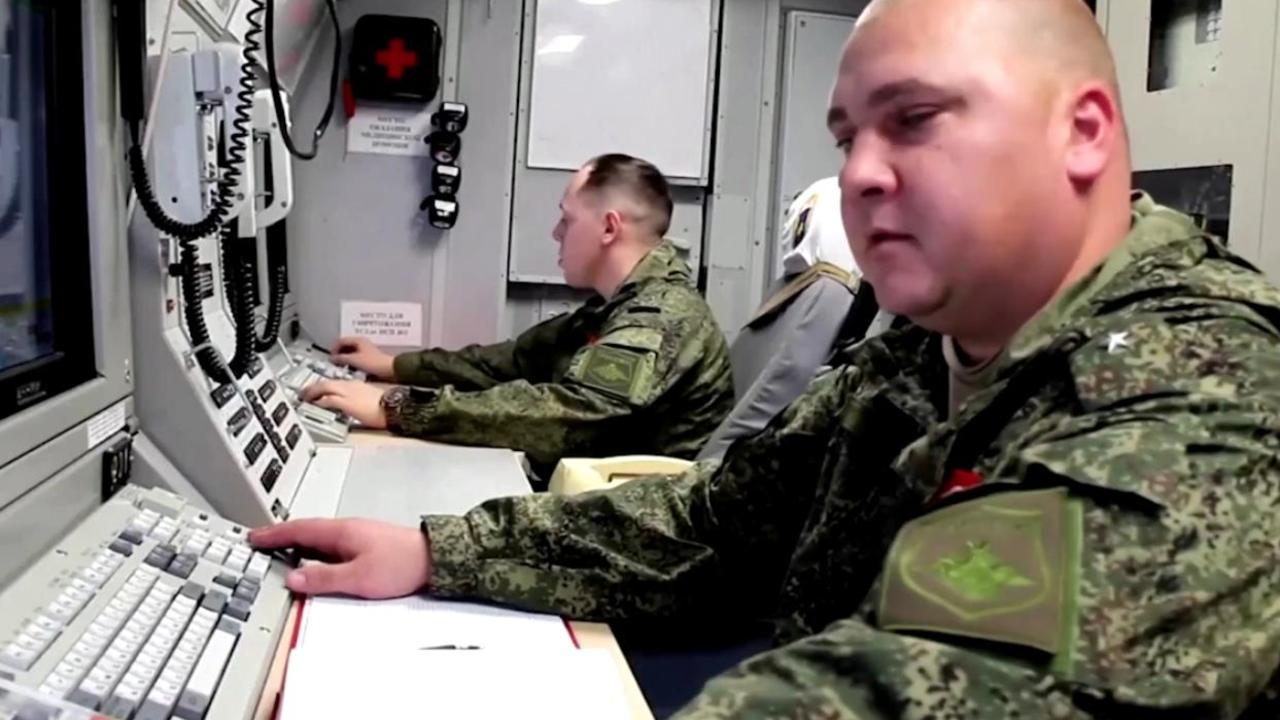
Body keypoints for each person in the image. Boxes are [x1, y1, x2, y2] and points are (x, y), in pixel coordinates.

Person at [252, 0, 1280, 716]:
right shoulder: (913, 360)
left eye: (914, 120)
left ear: (1083, 131)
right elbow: (711, 524)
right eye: (846, 135)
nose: (860, 175)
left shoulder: (1198, 385)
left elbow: (938, 681)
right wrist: (439, 554)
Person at [303, 153, 734, 474]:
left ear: (608, 228)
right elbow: (511, 362)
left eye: (567, 220)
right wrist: (394, 365)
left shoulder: (659, 317)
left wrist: (399, 408)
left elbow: (570, 414)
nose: (555, 233)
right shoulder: (615, 308)